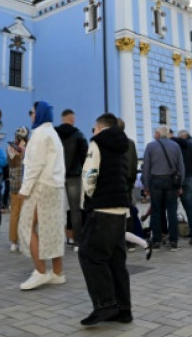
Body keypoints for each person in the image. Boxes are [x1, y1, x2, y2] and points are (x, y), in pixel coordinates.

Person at [77, 113, 133, 326]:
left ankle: (105, 304)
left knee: (90, 255)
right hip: (120, 208)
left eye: (94, 128)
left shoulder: (97, 143)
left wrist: (89, 196)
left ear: (100, 128)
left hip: (102, 208)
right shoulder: (122, 145)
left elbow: (89, 174)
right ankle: (123, 309)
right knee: (116, 261)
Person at [15, 101, 66, 290]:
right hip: (56, 186)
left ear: (40, 114)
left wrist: (24, 189)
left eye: (32, 112)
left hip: (41, 187)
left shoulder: (39, 134)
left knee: (27, 226)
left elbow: (34, 165)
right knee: (51, 229)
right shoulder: (53, 134)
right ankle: (57, 272)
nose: (31, 115)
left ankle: (41, 271)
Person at [141, 126, 184, 251]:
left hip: (155, 181)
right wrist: (179, 185)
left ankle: (157, 241)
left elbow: (146, 168)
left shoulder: (150, 146)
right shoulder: (175, 146)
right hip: (171, 181)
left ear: (158, 134)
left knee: (156, 210)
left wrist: (146, 186)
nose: (154, 134)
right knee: (172, 211)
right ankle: (174, 241)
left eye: (155, 132)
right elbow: (181, 167)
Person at [55, 109, 87, 249]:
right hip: (74, 176)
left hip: (56, 175)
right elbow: (84, 156)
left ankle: (57, 239)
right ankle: (77, 242)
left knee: (56, 208)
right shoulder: (79, 135)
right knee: (75, 209)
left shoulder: (54, 134)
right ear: (72, 119)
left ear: (62, 119)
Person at [172, 130, 192, 245]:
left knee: (172, 208)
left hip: (176, 178)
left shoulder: (175, 146)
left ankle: (174, 237)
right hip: (189, 177)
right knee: (191, 207)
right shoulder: (191, 146)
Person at [6, 127, 29, 253]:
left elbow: (10, 163)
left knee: (15, 212)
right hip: (25, 183)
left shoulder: (10, 147)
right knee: (25, 213)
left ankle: (14, 242)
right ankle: (23, 241)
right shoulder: (29, 147)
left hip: (15, 183)